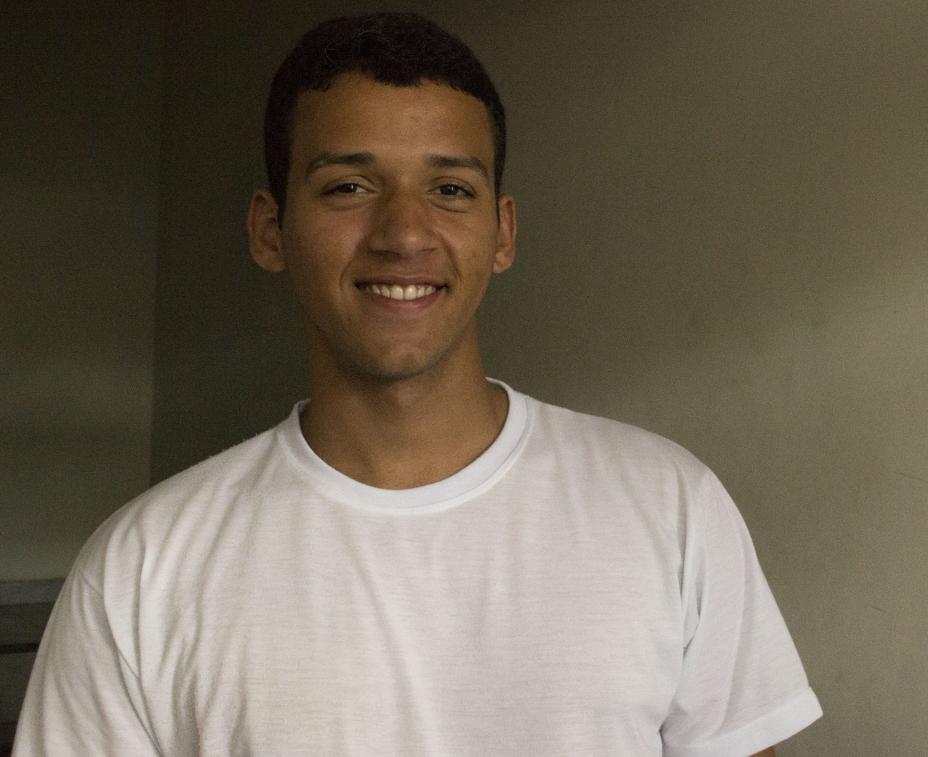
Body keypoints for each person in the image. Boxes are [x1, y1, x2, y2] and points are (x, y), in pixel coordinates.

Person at [14, 12, 822, 757]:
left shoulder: (670, 506)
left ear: (501, 232)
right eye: (348, 186)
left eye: (450, 190)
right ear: (270, 230)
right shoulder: (141, 568)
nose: (404, 233)